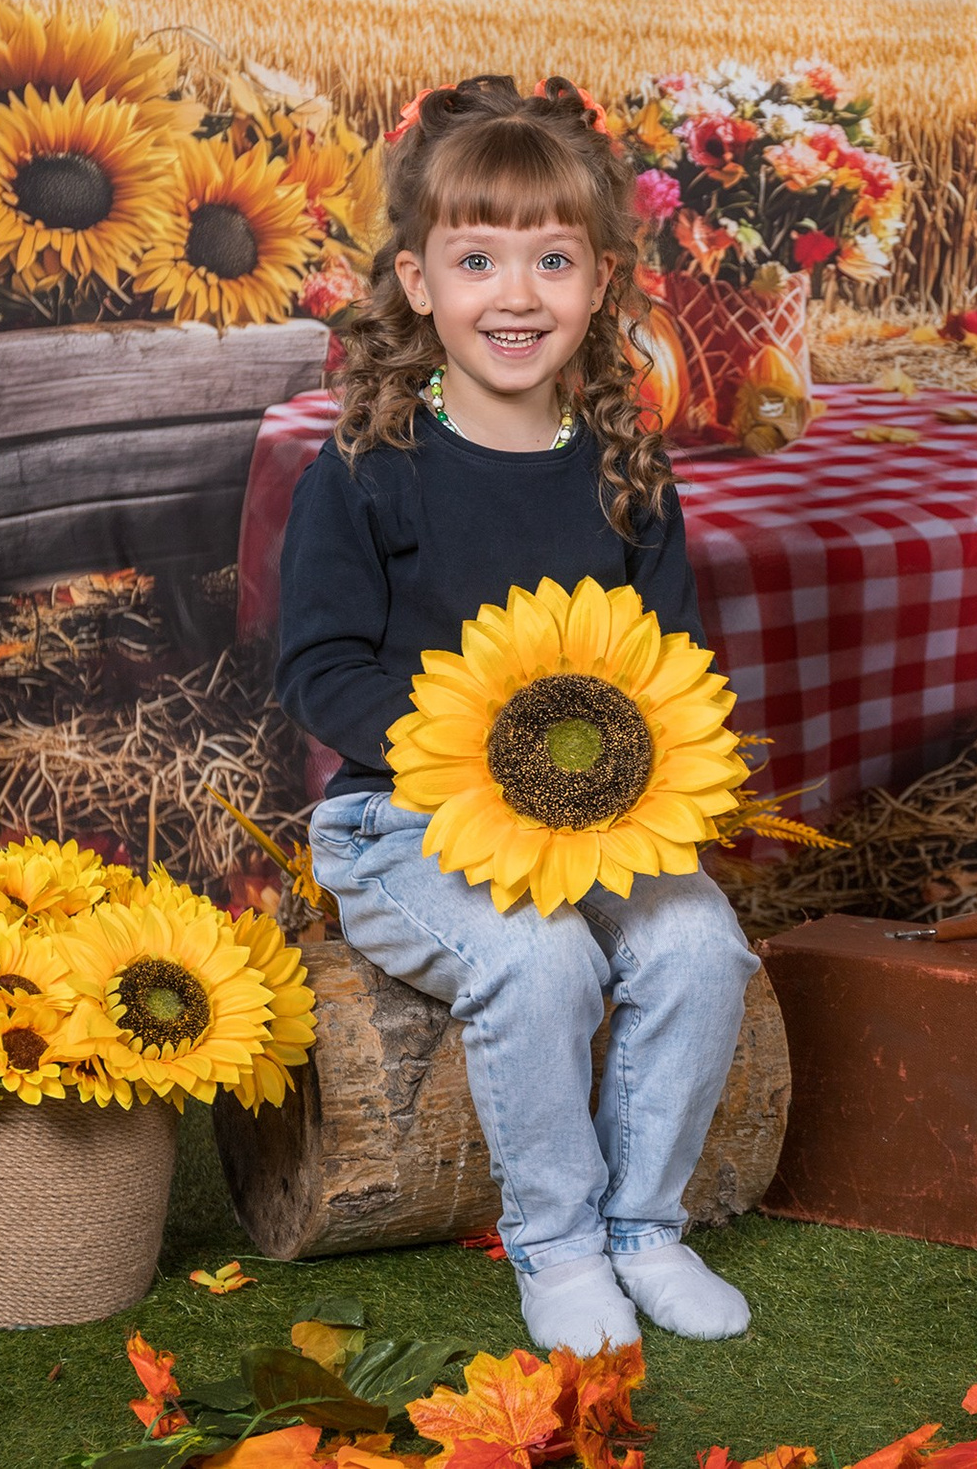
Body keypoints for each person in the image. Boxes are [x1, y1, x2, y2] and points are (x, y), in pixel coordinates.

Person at [275, 73, 758, 1355]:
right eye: (477, 259)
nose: (516, 294)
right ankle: (557, 1248)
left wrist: (623, 792)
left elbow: (671, 670)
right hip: (400, 824)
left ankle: (646, 1229)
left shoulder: (624, 473)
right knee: (539, 960)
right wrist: (467, 749)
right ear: (417, 283)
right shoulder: (368, 469)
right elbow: (317, 669)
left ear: (602, 284)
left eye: (552, 260)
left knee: (698, 945)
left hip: (589, 824)